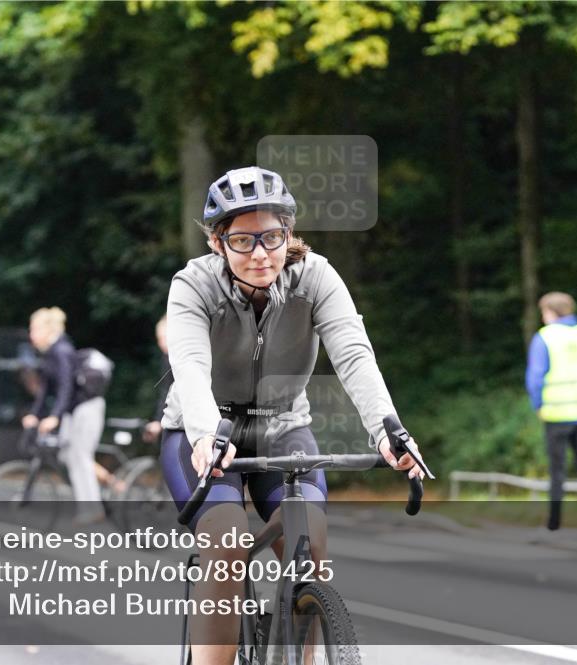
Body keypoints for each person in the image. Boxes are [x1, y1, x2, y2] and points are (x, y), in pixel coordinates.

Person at [160, 166, 424, 665]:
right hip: (205, 432)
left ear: (289, 233)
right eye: (242, 240)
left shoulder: (317, 277)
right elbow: (190, 367)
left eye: (272, 237)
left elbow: (353, 355)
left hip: (283, 428)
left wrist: (389, 429)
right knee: (225, 545)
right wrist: (203, 435)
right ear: (217, 244)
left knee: (312, 547)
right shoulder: (192, 285)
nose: (260, 253)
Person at [526, 292, 577, 538]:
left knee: (557, 472)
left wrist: (538, 405)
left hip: (557, 414)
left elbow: (535, 378)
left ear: (550, 312)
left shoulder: (545, 337)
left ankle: (553, 525)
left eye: (544, 312)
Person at [22, 307, 107, 524]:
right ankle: (105, 484)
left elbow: (66, 387)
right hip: (72, 411)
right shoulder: (49, 354)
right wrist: (35, 414)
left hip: (87, 407)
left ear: (47, 329)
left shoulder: (62, 351)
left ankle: (93, 508)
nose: (31, 334)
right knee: (67, 456)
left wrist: (54, 417)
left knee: (80, 456)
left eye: (34, 329)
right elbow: (45, 391)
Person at [142, 315, 172, 444]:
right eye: (159, 339)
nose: (160, 343)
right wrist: (158, 421)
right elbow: (166, 390)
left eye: (164, 338)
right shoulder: (166, 359)